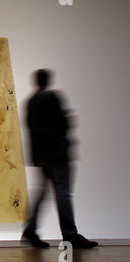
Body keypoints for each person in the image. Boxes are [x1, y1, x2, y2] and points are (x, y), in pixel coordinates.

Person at [22, 69, 98, 249]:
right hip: (57, 153)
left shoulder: (31, 101)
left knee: (43, 193)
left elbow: (31, 127)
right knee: (63, 193)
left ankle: (31, 230)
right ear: (48, 80)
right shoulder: (53, 97)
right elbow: (63, 123)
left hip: (41, 155)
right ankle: (70, 235)